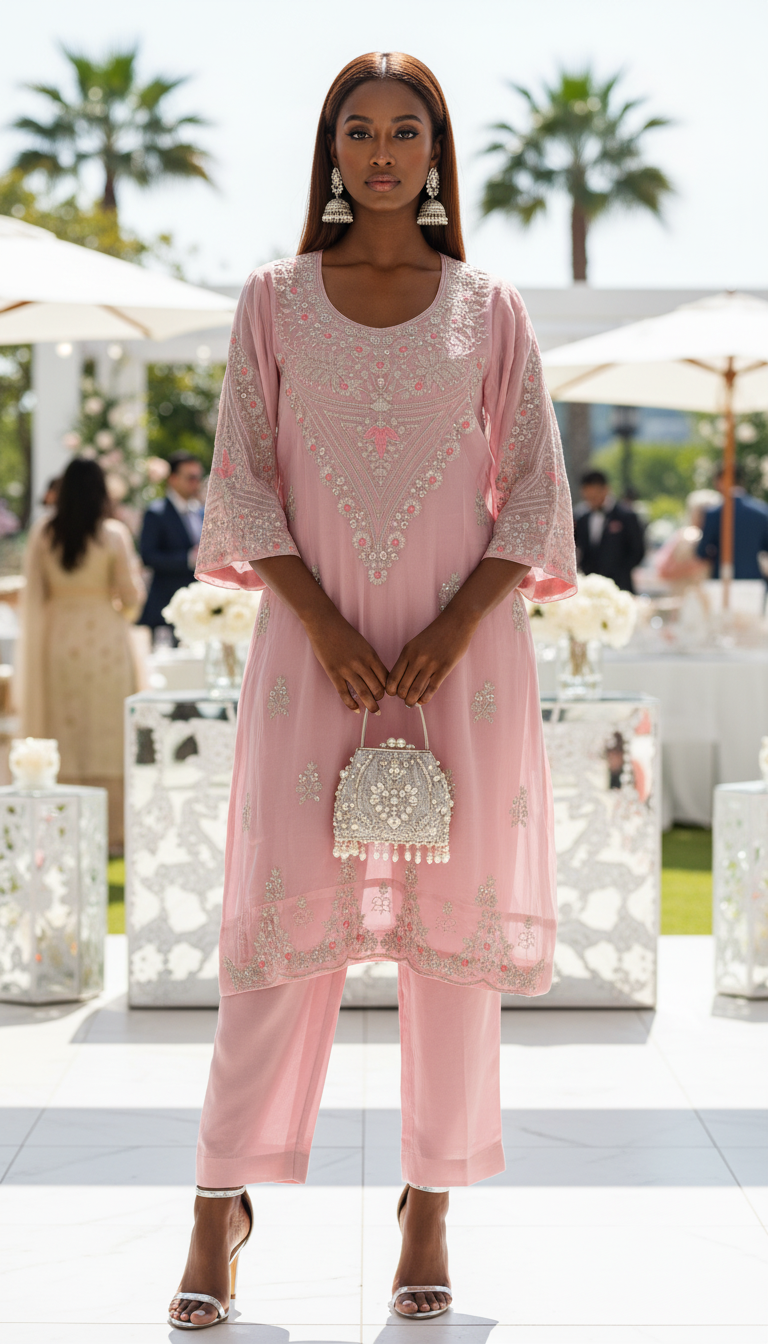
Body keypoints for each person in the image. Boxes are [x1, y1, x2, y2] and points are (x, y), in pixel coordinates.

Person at [168, 52, 576, 1331]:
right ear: (331, 153)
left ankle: (432, 1202)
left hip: (461, 667)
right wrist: (328, 627)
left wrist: (454, 630)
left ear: (439, 154)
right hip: (310, 661)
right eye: (360, 131)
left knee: (446, 950)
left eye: (408, 132)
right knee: (278, 946)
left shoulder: (489, 308)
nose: (384, 153)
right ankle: (216, 1206)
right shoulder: (273, 303)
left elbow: (538, 493)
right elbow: (240, 485)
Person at [19, 458, 145, 851]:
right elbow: (132, 600)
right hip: (105, 641)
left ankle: (61, 830)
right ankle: (112, 833)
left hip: (57, 640)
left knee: (64, 729)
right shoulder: (112, 534)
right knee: (106, 732)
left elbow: (32, 597)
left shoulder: (43, 533)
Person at [138, 451, 204, 634]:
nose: (196, 483)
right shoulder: (156, 513)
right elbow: (148, 556)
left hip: (199, 607)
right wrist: (187, 559)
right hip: (166, 606)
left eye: (198, 477)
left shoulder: (201, 512)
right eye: (190, 478)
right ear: (173, 479)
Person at [574, 468, 645, 592]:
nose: (592, 501)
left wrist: (621, 571)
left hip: (620, 586)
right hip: (588, 587)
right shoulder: (580, 517)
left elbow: (638, 551)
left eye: (595, 496)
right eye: (588, 497)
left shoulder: (626, 516)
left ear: (606, 489)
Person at [696, 464, 768, 581]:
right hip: (754, 580)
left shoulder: (714, 513)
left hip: (723, 580)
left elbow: (701, 552)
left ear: (723, 480)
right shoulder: (762, 512)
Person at [655, 489, 720, 588]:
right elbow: (662, 570)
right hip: (684, 594)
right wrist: (695, 567)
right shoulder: (684, 536)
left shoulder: (718, 539)